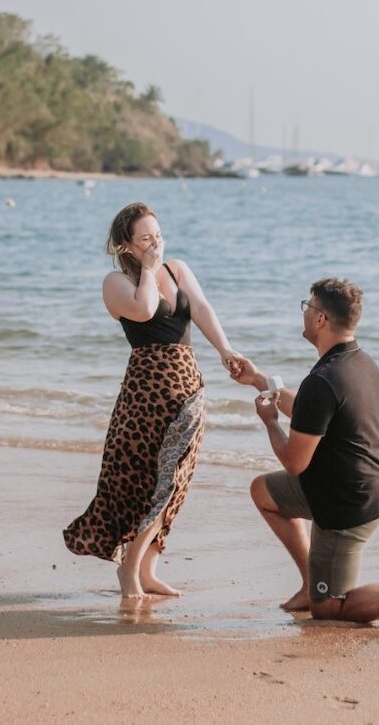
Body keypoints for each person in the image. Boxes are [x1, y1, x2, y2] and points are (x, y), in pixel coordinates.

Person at [230, 277, 379, 627]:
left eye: (307, 307)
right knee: (263, 490)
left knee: (328, 609)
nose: (304, 314)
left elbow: (295, 461)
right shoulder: (361, 363)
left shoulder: (323, 380)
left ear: (321, 318)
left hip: (346, 504)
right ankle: (312, 581)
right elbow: (313, 414)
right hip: (359, 485)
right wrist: (259, 380)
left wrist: (269, 422)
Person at [63, 202, 242, 599]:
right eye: (146, 239)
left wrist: (225, 350)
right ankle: (128, 571)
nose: (156, 244)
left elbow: (202, 309)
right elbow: (144, 310)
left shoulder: (176, 268)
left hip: (188, 387)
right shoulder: (115, 282)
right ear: (126, 245)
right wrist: (147, 268)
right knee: (149, 483)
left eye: (158, 235)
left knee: (177, 483)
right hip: (146, 394)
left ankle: (148, 569)